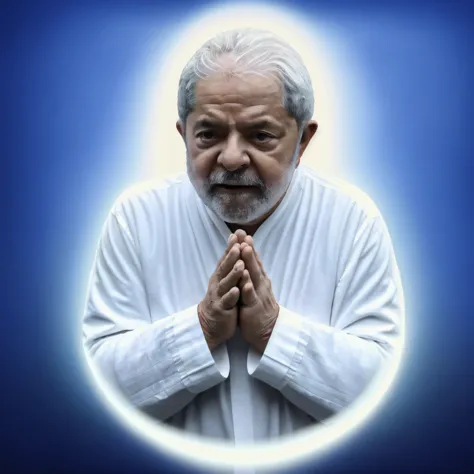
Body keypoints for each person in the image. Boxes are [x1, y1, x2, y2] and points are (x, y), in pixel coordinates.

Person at [83, 27, 403, 444]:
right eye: (208, 134)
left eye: (260, 135)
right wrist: (202, 328)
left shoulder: (353, 221)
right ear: (183, 135)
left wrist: (273, 331)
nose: (231, 158)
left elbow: (381, 393)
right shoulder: (135, 218)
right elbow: (99, 390)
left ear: (302, 140)